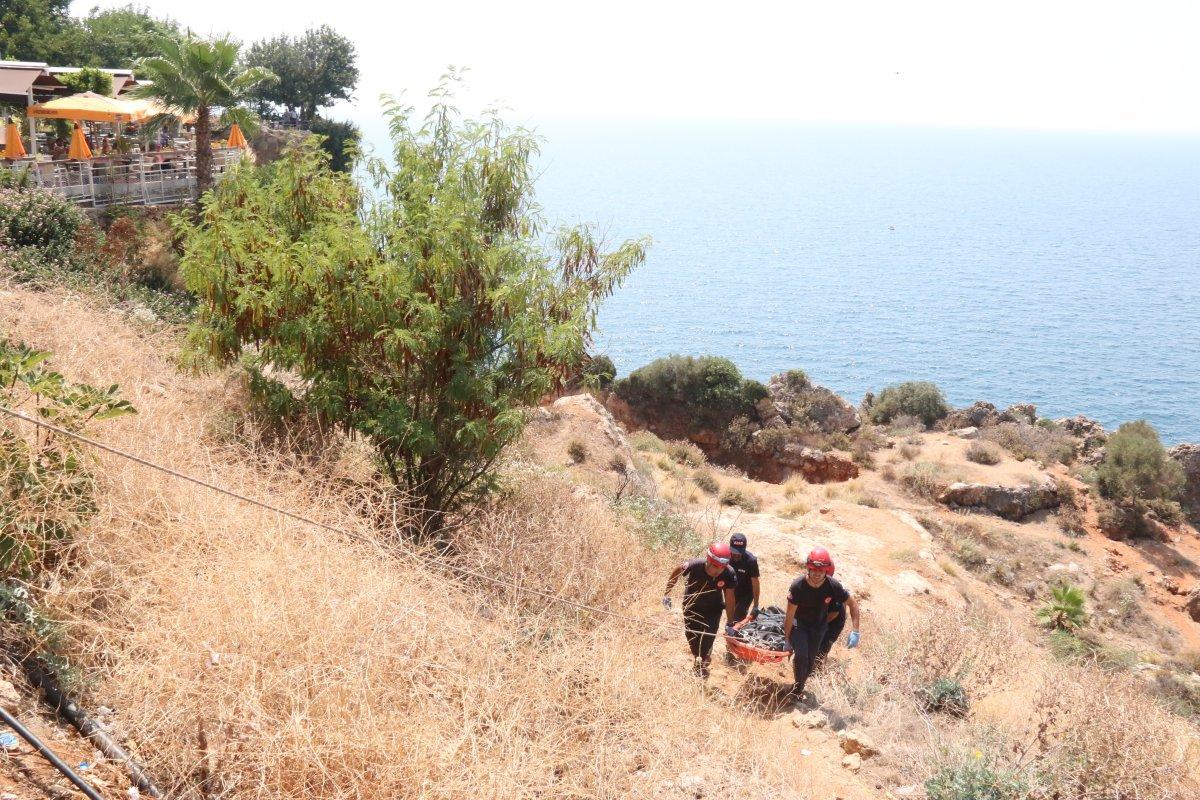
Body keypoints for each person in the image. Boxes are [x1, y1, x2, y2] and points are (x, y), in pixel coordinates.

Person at [782, 547, 860, 703]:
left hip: (818, 628)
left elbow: (852, 604)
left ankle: (800, 687)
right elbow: (789, 616)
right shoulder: (798, 586)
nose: (817, 574)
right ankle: (797, 691)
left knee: (811, 661)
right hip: (800, 625)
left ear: (827, 570)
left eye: (821, 570)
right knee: (802, 655)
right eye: (814, 569)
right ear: (808, 568)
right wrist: (786, 640)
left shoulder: (833, 586)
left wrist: (856, 631)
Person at [663, 542, 739, 678]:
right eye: (715, 566)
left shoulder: (729, 573)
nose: (718, 570)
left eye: (722, 567)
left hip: (713, 609)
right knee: (692, 637)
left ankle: (702, 661)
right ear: (708, 560)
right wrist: (667, 594)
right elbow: (677, 571)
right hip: (691, 606)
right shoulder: (695, 565)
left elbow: (729, 598)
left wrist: (730, 622)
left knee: (708, 638)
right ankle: (699, 657)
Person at [728, 533, 761, 621]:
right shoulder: (725, 557)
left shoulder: (751, 561)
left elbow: (755, 583)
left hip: (746, 593)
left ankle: (734, 632)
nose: (736, 554)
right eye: (734, 551)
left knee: (738, 617)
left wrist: (756, 605)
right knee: (730, 616)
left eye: (740, 551)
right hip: (731, 590)